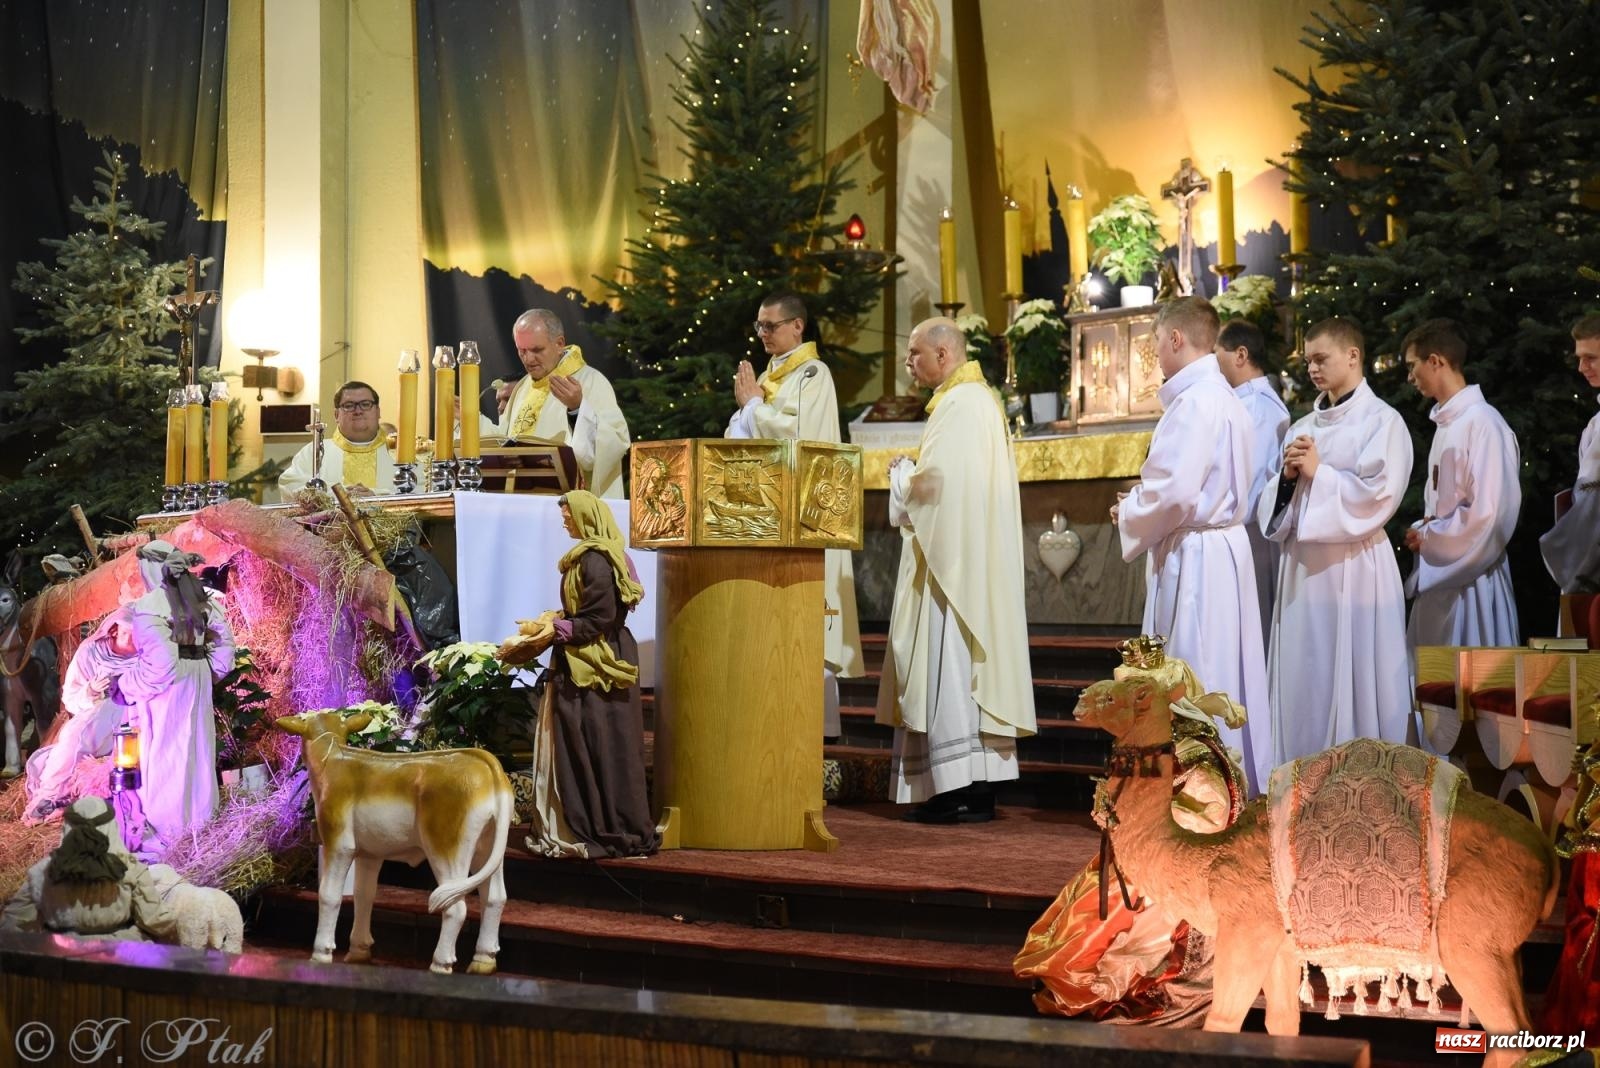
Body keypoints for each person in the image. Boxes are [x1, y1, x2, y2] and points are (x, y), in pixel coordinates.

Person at [1014, 637, 1246, 1025]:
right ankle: (1071, 971)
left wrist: (1145, 826)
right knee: (1095, 890)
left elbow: (1210, 815)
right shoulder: (1146, 742)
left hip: (1176, 862)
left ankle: (1108, 976)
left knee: (1118, 903)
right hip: (1138, 850)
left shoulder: (1194, 753)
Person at [875, 317, 1036, 823]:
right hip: (970, 563)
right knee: (968, 672)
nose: (908, 363)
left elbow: (932, 493)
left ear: (943, 354)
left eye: (914, 353)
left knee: (951, 670)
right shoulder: (977, 401)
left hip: (954, 572)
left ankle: (950, 789)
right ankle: (979, 786)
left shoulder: (960, 405)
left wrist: (901, 474)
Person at [1114, 297, 1271, 795]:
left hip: (1198, 559)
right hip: (1224, 551)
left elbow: (1175, 492)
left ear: (1176, 339)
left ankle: (1199, 794)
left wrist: (1131, 510)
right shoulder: (1226, 398)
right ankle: (1233, 787)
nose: (1157, 354)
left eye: (1158, 342)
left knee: (1193, 666)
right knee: (1225, 667)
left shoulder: (1194, 403)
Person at [1259, 317, 1414, 764]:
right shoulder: (1302, 426)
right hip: (1302, 574)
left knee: (1356, 679)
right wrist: (1288, 480)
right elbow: (1274, 508)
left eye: (1320, 359)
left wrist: (1319, 475)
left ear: (1352, 356)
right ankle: (1297, 781)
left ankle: (1362, 782)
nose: (1312, 369)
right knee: (1301, 682)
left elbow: (1379, 497)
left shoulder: (1384, 422)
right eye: (1308, 361)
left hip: (1355, 568)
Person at [725, 291, 864, 737]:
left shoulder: (812, 374)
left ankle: (812, 731)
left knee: (806, 629)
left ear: (797, 326)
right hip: (768, 513)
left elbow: (798, 435)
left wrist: (752, 406)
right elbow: (739, 433)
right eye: (759, 326)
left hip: (805, 515)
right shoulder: (769, 377)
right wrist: (747, 410)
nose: (762, 334)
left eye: (771, 325)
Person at [525, 491, 658, 858]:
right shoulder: (599, 555)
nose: (565, 521)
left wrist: (555, 630)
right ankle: (604, 819)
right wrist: (557, 620)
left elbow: (599, 618)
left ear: (586, 516)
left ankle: (601, 824)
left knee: (596, 740)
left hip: (597, 662)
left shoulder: (597, 560)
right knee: (604, 740)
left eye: (568, 515)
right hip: (597, 654)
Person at [1400, 318, 1521, 649]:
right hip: (1442, 576)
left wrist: (1431, 536)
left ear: (1435, 361)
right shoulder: (1448, 423)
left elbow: (1491, 515)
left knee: (1471, 673)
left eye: (1412, 366)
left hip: (1474, 581)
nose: (1409, 377)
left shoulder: (1484, 423)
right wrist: (1426, 530)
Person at [122, 540, 236, 855]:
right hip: (196, 679)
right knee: (197, 749)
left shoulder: (150, 605)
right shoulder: (200, 598)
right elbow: (225, 644)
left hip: (167, 692)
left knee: (166, 753)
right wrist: (208, 670)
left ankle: (169, 831)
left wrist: (127, 685)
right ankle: (200, 824)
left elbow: (160, 666)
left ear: (148, 568)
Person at [483, 309, 630, 499]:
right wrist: (470, 418)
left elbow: (614, 444)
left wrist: (577, 409)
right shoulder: (522, 388)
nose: (528, 359)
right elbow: (503, 439)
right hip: (525, 502)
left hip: (572, 505)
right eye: (522, 351)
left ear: (559, 344)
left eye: (537, 350)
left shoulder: (591, 381)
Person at [2, 796, 180, 941]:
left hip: (62, 957)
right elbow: (156, 922)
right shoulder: (130, 869)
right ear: (111, 828)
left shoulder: (44, 872)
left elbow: (11, 924)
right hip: (120, 956)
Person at [1213, 318, 1290, 651]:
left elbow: (1251, 481)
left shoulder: (1258, 407)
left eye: (1217, 354)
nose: (1213, 364)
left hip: (1250, 535)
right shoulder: (1244, 403)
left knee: (1251, 635)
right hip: (1238, 533)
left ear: (1241, 355)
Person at [22, 608, 139, 825]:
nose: (134, 640)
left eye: (139, 634)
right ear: (114, 631)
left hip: (134, 713)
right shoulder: (91, 653)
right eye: (127, 633)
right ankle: (50, 796)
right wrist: (91, 690)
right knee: (75, 736)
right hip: (96, 714)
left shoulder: (146, 655)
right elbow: (71, 698)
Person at [1540, 314, 1600, 596]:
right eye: (1579, 358)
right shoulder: (1595, 424)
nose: (1581, 367)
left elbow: (1592, 503)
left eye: (1591, 358)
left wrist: (1559, 547)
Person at [279, 381, 397, 496]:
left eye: (366, 404)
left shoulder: (398, 453)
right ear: (336, 415)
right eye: (349, 406)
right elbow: (290, 484)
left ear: (378, 411)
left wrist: (376, 495)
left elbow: (409, 490)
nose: (358, 411)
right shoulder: (314, 451)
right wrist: (338, 494)